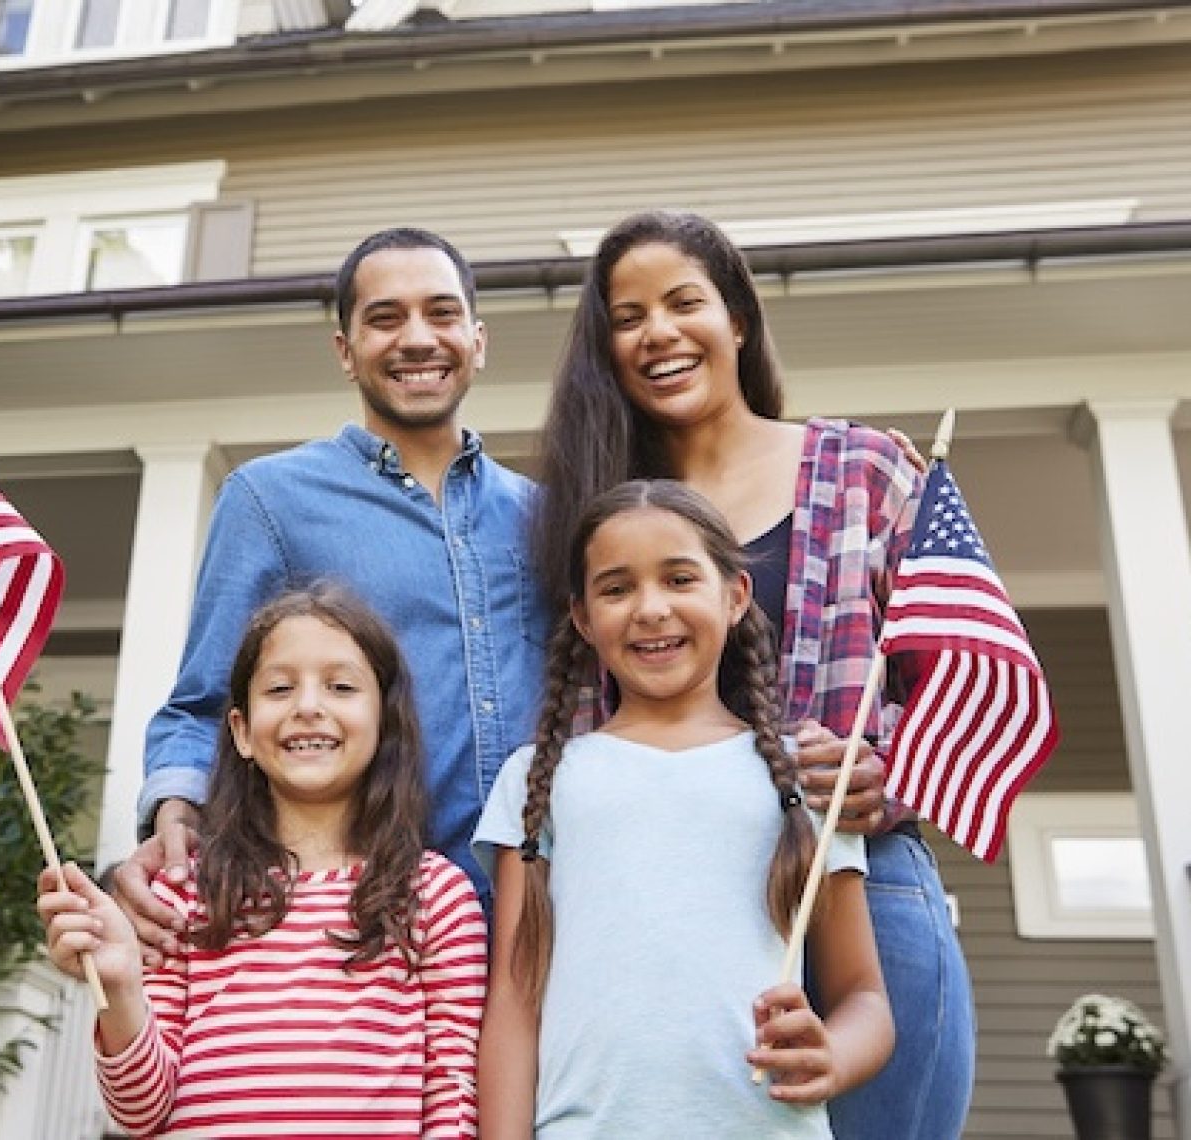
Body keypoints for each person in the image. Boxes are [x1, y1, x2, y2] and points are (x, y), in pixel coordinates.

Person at [531, 209, 977, 1139]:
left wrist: (882, 765)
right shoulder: (602, 518)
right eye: (627, 316)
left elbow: (957, 677)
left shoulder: (866, 471)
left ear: (736, 317)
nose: (658, 331)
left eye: (684, 301)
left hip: (866, 894)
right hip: (672, 917)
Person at [114, 227, 547, 955]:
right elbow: (203, 703)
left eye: (441, 314)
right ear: (346, 351)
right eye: (385, 318)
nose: (417, 338)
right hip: (371, 928)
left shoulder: (544, 516)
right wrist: (174, 813)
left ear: (478, 340)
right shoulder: (270, 500)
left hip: (542, 922)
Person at [475, 479, 893, 1137]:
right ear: (583, 618)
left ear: (734, 596)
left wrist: (832, 1055)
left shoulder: (803, 775)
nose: (649, 609)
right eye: (616, 589)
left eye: (678, 579)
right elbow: (515, 1001)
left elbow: (864, 997)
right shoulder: (538, 780)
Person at [39, 584, 488, 1138]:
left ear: (384, 724)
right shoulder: (183, 893)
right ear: (242, 731)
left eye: (341, 686)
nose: (307, 707)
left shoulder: (438, 896)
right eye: (279, 688)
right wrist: (122, 984)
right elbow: (138, 1112)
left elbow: (453, 1100)